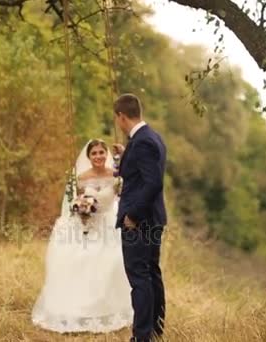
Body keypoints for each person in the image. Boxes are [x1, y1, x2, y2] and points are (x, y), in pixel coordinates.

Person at [31, 139, 133, 333]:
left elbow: (123, 198)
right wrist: (81, 210)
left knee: (111, 263)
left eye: (101, 152)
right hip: (85, 226)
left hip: (109, 225)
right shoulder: (81, 178)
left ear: (107, 154)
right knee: (79, 262)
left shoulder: (117, 177)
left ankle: (107, 310)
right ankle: (78, 311)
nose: (98, 157)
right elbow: (72, 202)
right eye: (94, 153)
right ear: (88, 157)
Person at [112, 94, 167, 342]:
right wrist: (126, 154)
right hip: (153, 219)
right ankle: (155, 330)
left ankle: (142, 337)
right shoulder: (151, 137)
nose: (118, 123)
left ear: (122, 116)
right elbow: (143, 173)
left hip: (141, 221)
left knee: (139, 277)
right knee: (151, 273)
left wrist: (132, 215)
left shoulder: (143, 142)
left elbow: (152, 183)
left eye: (117, 119)